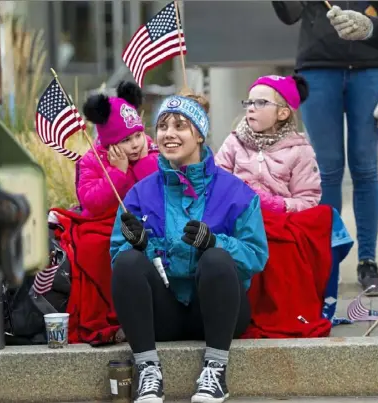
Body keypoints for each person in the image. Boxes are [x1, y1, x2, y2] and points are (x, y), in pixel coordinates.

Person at [110, 92, 268, 403]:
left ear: (199, 134)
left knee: (218, 259)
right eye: (163, 126)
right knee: (127, 262)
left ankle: (215, 370)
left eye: (180, 126)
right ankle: (147, 370)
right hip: (162, 316)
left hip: (218, 314)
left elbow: (256, 254)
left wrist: (214, 242)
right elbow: (118, 256)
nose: (169, 134)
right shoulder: (139, 193)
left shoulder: (235, 191)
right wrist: (141, 245)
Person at [272, 1, 378, 293]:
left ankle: (367, 262)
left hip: (371, 68)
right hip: (318, 69)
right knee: (328, 168)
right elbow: (289, 14)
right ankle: (327, 258)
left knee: (365, 166)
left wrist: (370, 27)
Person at [215, 74, 321, 213]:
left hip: (281, 224)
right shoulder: (234, 142)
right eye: (249, 102)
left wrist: (278, 204)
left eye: (260, 103)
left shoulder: (300, 151)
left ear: (282, 114)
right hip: (238, 220)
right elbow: (216, 180)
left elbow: (308, 200)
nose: (251, 108)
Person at [76, 81, 159, 218]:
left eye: (138, 135)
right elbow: (91, 202)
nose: (135, 144)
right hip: (105, 224)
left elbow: (160, 191)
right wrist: (117, 172)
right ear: (110, 144)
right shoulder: (93, 161)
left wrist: (144, 161)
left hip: (143, 222)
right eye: (126, 140)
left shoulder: (151, 151)